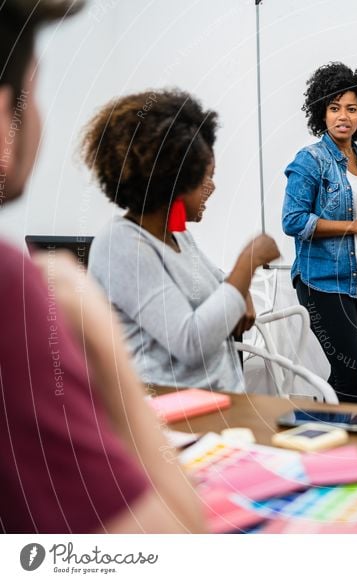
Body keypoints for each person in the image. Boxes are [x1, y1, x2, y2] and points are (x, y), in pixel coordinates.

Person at [0, 0, 204, 533]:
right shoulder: (18, 284)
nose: (211, 187)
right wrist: (98, 334)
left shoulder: (181, 236)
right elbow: (173, 545)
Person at [83, 90, 280, 392]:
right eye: (205, 177)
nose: (212, 188)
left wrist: (243, 293)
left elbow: (220, 283)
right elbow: (191, 341)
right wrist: (250, 259)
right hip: (175, 416)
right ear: (172, 180)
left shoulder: (177, 235)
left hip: (220, 404)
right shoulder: (120, 246)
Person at [283, 62, 357, 404]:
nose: (342, 116)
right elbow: (293, 221)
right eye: (334, 108)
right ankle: (351, 448)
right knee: (351, 375)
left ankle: (323, 431)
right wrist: (354, 227)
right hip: (323, 282)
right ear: (322, 112)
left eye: (351, 109)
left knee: (349, 371)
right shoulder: (310, 160)